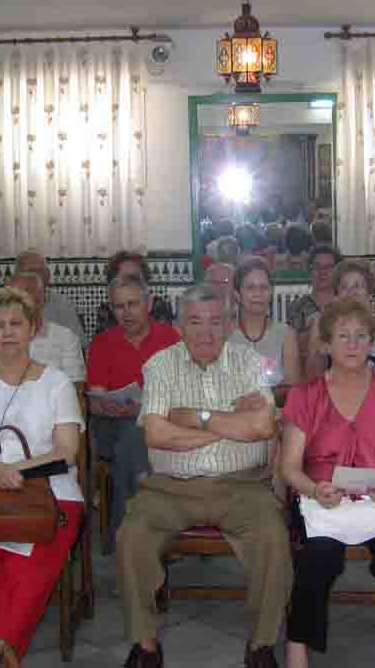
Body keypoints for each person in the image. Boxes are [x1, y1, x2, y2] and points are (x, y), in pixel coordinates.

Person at [116, 285, 290, 668]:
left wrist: (197, 416)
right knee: (132, 537)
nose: (206, 333)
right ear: (179, 327)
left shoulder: (250, 363)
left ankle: (261, 644)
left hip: (242, 485)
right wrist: (230, 423)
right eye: (195, 322)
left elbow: (263, 426)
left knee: (274, 538)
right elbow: (157, 435)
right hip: (170, 488)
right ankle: (144, 644)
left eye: (215, 322)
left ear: (229, 325)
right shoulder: (160, 366)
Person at [0, 285, 84, 668]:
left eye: (16, 324)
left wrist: (7, 472)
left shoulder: (56, 382)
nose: (7, 333)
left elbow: (66, 451)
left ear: (33, 328)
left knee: (25, 578)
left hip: (50, 493)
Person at [281, 298, 375, 668]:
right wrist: (314, 490)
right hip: (322, 500)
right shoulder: (305, 394)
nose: (353, 345)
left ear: (374, 341)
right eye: (343, 336)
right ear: (326, 344)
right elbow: (290, 467)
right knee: (317, 560)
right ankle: (298, 643)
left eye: (361, 336)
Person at [86, 273, 180, 552]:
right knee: (134, 433)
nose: (126, 313)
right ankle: (147, 533)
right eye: (119, 306)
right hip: (110, 425)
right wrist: (110, 405)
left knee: (136, 434)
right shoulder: (103, 342)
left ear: (148, 303)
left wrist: (145, 410)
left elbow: (180, 396)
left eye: (133, 304)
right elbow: (94, 401)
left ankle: (124, 542)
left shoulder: (170, 339)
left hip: (159, 424)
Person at [0, 272, 85, 383]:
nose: (13, 302)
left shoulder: (66, 338)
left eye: (23, 294)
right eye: (9, 295)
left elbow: (76, 390)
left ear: (42, 299)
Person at [304, 259, 375, 379]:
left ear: (369, 292)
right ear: (337, 294)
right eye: (344, 287)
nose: (351, 292)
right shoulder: (322, 323)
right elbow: (312, 374)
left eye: (357, 286)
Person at [229, 256, 301, 404]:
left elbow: (292, 389)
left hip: (273, 414)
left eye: (264, 287)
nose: (258, 294)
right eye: (250, 288)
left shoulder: (286, 334)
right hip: (231, 413)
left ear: (271, 292)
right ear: (237, 295)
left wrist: (260, 399)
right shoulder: (223, 334)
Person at [287, 245, 342, 375]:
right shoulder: (297, 306)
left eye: (328, 267)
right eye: (317, 267)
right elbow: (292, 346)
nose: (322, 272)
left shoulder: (344, 306)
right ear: (310, 270)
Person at [94, 251, 175, 336]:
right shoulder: (106, 311)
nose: (130, 283)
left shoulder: (158, 305)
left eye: (134, 278)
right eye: (124, 279)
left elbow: (165, 341)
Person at [14, 250, 83, 338]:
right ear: (16, 275)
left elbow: (78, 342)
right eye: (29, 271)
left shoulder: (63, 304)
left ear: (48, 275)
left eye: (40, 271)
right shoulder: (5, 303)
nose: (35, 276)